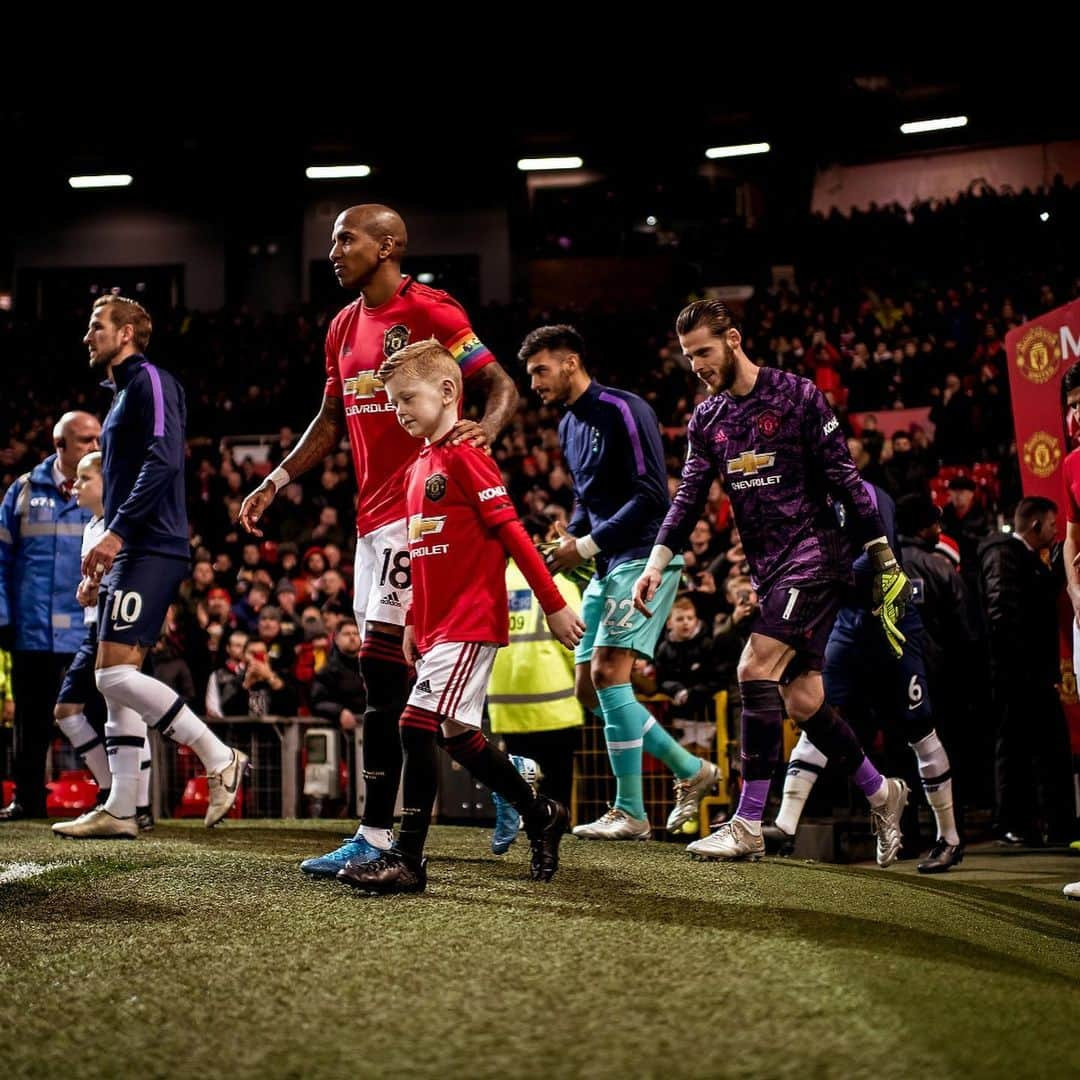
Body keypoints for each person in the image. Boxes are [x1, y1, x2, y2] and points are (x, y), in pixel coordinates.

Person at [238, 204, 518, 879]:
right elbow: (330, 420)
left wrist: (486, 435)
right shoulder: (341, 326)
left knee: (381, 678)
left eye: (345, 239)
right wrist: (276, 479)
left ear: (388, 244)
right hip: (369, 525)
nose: (334, 251)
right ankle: (518, 786)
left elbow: (498, 384)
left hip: (418, 512)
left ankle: (376, 835)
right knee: (408, 693)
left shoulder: (433, 311)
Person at [632, 300, 910, 865]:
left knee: (753, 668)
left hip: (817, 556)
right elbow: (687, 499)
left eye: (703, 352)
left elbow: (844, 475)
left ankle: (748, 822)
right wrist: (656, 561)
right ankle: (885, 792)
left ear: (733, 339)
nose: (696, 366)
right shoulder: (707, 420)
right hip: (769, 567)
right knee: (805, 701)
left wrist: (880, 550)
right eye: (687, 357)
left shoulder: (798, 395)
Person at [336, 340, 583, 894]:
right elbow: (421, 557)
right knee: (455, 735)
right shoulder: (417, 466)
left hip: (473, 623)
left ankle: (408, 858)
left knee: (413, 724)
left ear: (448, 392)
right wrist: (412, 625)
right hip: (439, 628)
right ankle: (540, 812)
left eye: (408, 399)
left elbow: (513, 532)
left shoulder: (468, 455)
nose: (399, 412)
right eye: (394, 403)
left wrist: (554, 603)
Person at [54, 296, 246, 839]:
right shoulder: (119, 396)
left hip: (151, 544)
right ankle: (121, 807)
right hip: (133, 545)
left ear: (129, 332)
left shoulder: (152, 381)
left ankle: (219, 755)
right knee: (115, 682)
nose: (88, 336)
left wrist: (116, 533)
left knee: (112, 674)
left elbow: (165, 456)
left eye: (97, 327)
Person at [521, 325, 719, 842]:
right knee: (589, 688)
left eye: (541, 369)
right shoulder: (567, 424)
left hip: (647, 556)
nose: (534, 381)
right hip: (608, 562)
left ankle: (630, 811)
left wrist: (583, 547)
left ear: (570, 362)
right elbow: (587, 499)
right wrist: (571, 537)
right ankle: (690, 769)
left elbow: (653, 494)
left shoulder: (623, 409)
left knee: (610, 675)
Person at [773, 483, 963, 872]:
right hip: (846, 623)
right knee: (814, 713)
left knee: (919, 728)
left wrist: (817, 577)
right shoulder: (798, 499)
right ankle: (785, 826)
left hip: (890, 619)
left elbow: (880, 558)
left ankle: (950, 838)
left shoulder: (868, 495)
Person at [0, 410, 101, 820]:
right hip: (33, 631)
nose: (96, 447)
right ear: (60, 445)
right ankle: (28, 799)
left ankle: (111, 797)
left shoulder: (106, 490)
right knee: (30, 720)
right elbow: (1, 561)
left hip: (87, 630)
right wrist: (4, 618)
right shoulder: (22, 492)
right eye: (86, 440)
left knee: (98, 718)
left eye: (98, 439)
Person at [50, 453, 154, 832]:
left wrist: (100, 588)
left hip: (123, 625)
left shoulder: (120, 525)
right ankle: (114, 795)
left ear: (106, 482)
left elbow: (136, 575)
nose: (75, 486)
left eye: (84, 478)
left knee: (127, 716)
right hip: (95, 628)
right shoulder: (92, 526)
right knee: (69, 711)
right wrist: (88, 589)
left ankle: (135, 805)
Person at [979, 497, 1074, 845]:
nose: (1054, 530)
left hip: (1025, 675)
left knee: (1034, 750)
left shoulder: (1022, 558)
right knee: (1019, 750)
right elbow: (1004, 613)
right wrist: (1021, 670)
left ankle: (1033, 824)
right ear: (1035, 526)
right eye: (1051, 524)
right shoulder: (1003, 554)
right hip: (1017, 676)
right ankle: (1014, 824)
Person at [487, 514, 583, 854]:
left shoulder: (495, 580)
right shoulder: (559, 583)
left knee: (517, 781)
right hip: (555, 703)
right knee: (557, 787)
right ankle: (554, 843)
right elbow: (577, 645)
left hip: (506, 703)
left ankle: (525, 828)